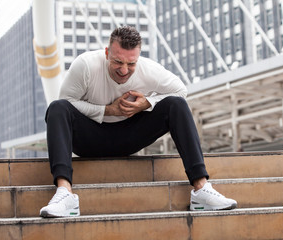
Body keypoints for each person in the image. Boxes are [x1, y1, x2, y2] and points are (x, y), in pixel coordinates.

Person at [39, 26, 237, 218]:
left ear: (138, 58)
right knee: (57, 108)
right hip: (90, 139)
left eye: (131, 64)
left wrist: (146, 103)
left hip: (129, 136)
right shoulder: (86, 65)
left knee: (176, 104)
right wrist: (108, 110)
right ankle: (65, 193)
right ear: (107, 52)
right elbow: (67, 101)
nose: (124, 70)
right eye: (118, 61)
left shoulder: (149, 69)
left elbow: (181, 91)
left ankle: (201, 188)